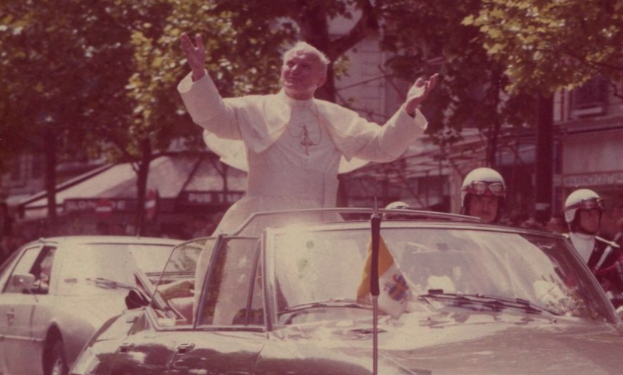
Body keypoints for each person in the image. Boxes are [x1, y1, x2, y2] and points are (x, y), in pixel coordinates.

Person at [178, 35, 438, 235]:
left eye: (304, 66)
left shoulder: (336, 116)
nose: (294, 70)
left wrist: (408, 109)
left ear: (321, 79)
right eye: (290, 64)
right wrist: (199, 74)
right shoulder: (254, 108)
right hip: (263, 225)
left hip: (320, 225)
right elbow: (214, 118)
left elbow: (381, 148)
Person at [564, 189, 623, 292]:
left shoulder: (608, 251)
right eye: (588, 214)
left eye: (596, 213)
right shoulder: (557, 247)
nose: (594, 218)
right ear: (571, 215)